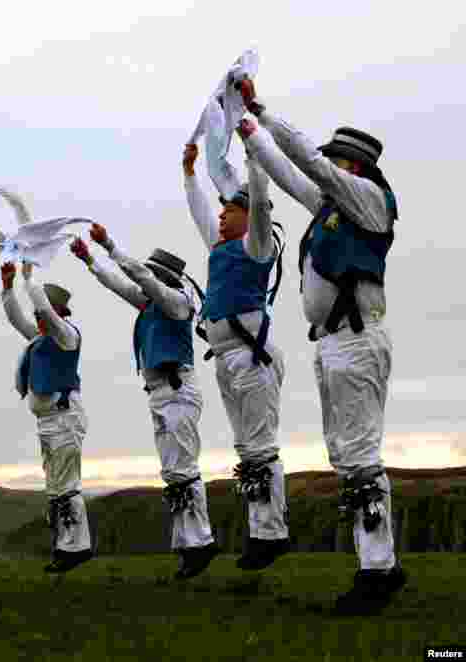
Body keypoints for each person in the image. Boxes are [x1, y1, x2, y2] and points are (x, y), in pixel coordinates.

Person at [238, 79, 405, 614]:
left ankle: (377, 570)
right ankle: (380, 564)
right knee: (346, 454)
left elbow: (310, 165)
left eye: (337, 160)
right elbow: (291, 175)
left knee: (358, 455)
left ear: (353, 166)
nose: (329, 165)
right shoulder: (337, 206)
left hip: (356, 340)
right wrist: (250, 134)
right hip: (336, 343)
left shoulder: (371, 201)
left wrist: (263, 112)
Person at [70, 228, 218, 579]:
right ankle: (189, 545)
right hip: (161, 392)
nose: (146, 277)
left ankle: (202, 542)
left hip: (176, 389)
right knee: (173, 471)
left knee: (183, 468)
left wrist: (109, 244)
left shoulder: (177, 302)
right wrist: (90, 260)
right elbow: (118, 284)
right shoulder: (153, 304)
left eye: (152, 273)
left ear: (162, 277)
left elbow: (138, 277)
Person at [182, 141, 291, 570]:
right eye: (223, 208)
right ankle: (260, 533)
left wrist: (251, 155)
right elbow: (198, 212)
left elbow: (260, 201)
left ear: (249, 217)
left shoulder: (257, 246)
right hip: (227, 358)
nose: (222, 213)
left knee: (261, 447)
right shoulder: (219, 247)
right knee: (247, 447)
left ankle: (271, 533)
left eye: (230, 209)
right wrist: (189, 174)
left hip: (252, 357)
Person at [0, 261, 93, 573]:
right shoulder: (38, 340)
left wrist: (29, 278)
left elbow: (42, 307)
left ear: (55, 314)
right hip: (48, 421)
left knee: (66, 484)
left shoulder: (67, 336)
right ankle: (65, 546)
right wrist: (8, 287)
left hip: (64, 416)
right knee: (56, 486)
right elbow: (15, 318)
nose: (38, 318)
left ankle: (75, 547)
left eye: (43, 313)